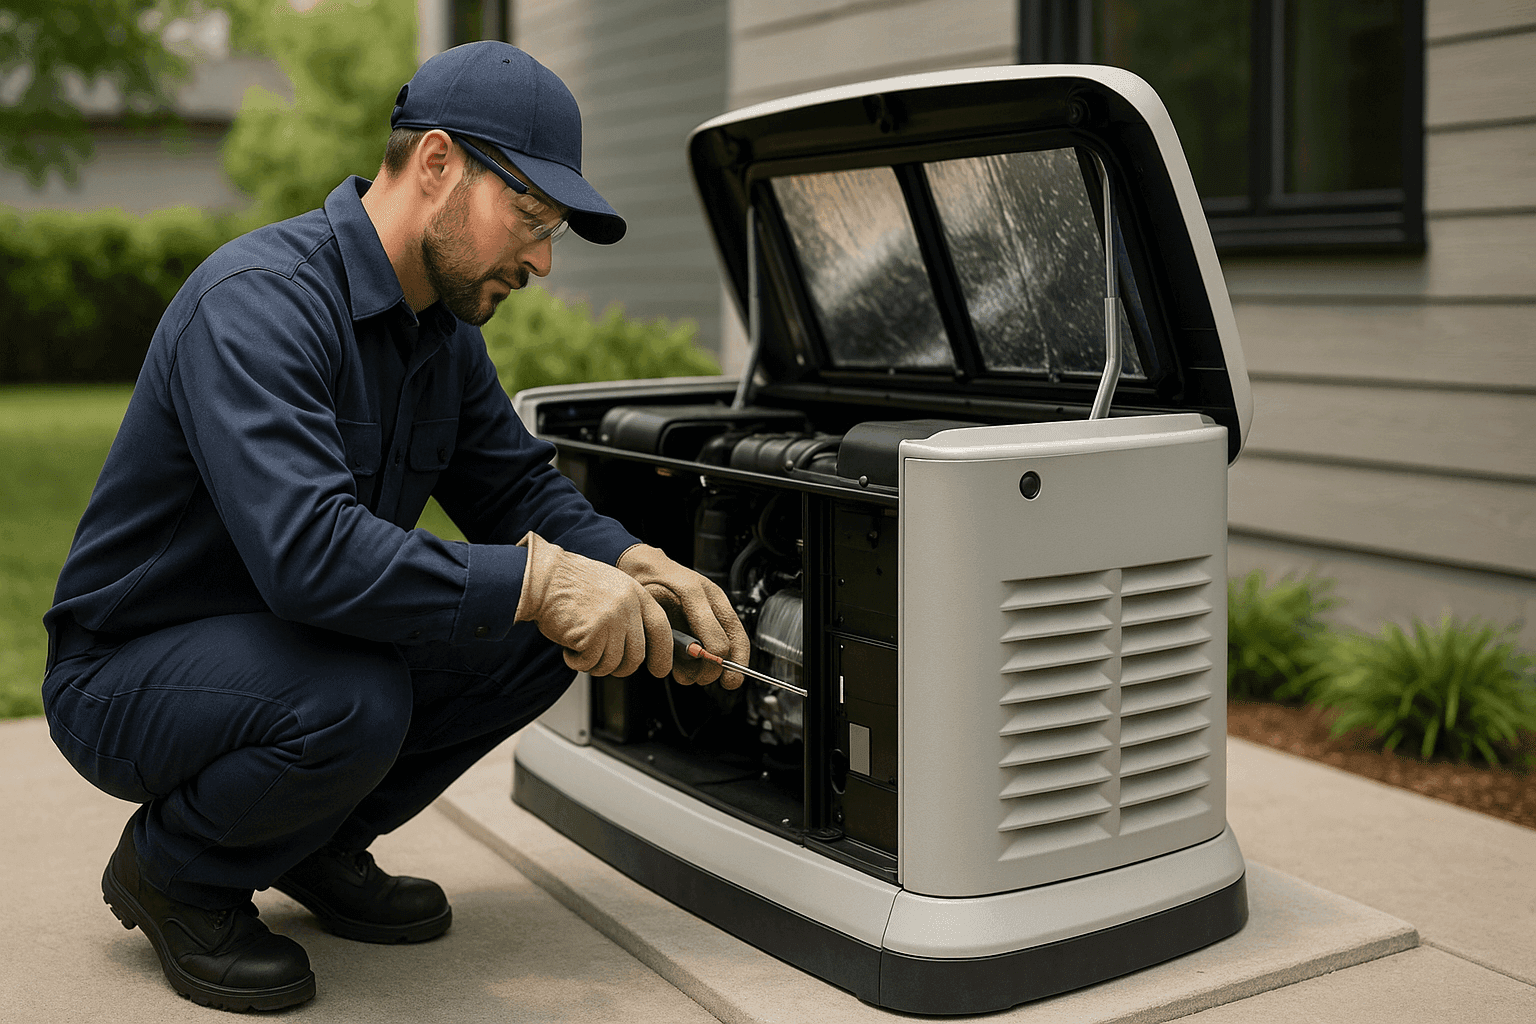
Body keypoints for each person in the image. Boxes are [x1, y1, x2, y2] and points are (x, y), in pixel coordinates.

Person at [41, 41, 749, 1013]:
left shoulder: (441, 338)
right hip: (129, 673)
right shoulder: (260, 304)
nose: (542, 260)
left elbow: (515, 491)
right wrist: (541, 582)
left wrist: (636, 564)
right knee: (362, 691)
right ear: (437, 165)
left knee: (549, 633)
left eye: (553, 235)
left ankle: (308, 839)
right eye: (531, 219)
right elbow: (310, 558)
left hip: (294, 648)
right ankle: (178, 871)